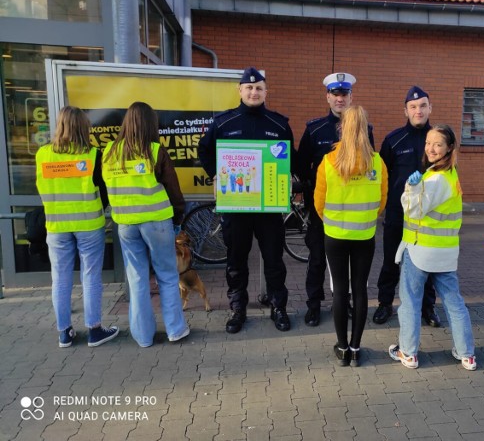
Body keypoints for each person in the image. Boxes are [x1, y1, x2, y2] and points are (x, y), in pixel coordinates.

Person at [198, 67, 295, 334]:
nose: (254, 92)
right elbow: (204, 151)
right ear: (240, 90)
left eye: (259, 88)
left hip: (269, 209)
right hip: (237, 208)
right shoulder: (223, 123)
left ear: (266, 92)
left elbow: (290, 159)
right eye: (249, 88)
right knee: (236, 261)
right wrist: (216, 176)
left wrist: (285, 179)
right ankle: (237, 309)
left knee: (274, 260)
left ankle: (278, 307)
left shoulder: (279, 124)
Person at [389, 125, 476, 370]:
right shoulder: (449, 175)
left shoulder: (436, 178)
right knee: (453, 302)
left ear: (449, 148)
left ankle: (408, 352)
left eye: (438, 144)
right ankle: (466, 353)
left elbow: (413, 209)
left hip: (420, 251)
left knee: (410, 302)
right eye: (428, 143)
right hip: (445, 253)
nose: (431, 148)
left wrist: (411, 188)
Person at [102, 101, 189, 348]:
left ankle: (142, 336)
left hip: (126, 224)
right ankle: (175, 330)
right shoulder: (155, 150)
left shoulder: (109, 152)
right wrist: (178, 217)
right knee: (167, 275)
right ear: (151, 124)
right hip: (157, 221)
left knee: (137, 278)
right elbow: (173, 190)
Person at [35, 106, 119, 348]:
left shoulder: (42, 154)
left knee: (60, 279)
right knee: (91, 276)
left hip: (57, 225)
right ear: (83, 127)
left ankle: (65, 334)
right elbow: (104, 192)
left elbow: (40, 188)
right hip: (89, 224)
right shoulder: (93, 154)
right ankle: (94, 331)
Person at [297, 72, 374, 327]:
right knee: (317, 258)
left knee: (351, 264)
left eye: (344, 94)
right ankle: (314, 305)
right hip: (323, 209)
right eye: (335, 94)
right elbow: (300, 164)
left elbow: (371, 167)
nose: (340, 99)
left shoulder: (365, 130)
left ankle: (347, 303)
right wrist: (311, 191)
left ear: (351, 97)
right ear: (327, 96)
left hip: (353, 213)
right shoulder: (314, 129)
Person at [314, 105, 388, 367]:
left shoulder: (328, 161)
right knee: (360, 289)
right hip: (365, 234)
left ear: (341, 127)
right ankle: (356, 348)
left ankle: (342, 347)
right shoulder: (377, 162)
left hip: (334, 235)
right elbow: (382, 202)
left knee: (340, 291)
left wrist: (333, 222)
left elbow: (318, 203)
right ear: (366, 128)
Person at [373, 86, 440, 327]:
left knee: (428, 262)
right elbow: (382, 176)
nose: (418, 110)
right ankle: (384, 303)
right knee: (391, 260)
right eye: (413, 107)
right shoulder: (393, 140)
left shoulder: (439, 140)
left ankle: (427, 307)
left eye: (423, 105)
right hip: (397, 214)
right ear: (405, 110)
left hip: (428, 216)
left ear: (430, 108)